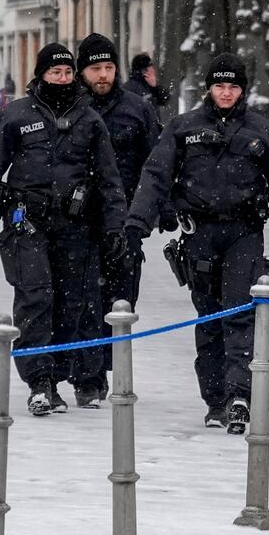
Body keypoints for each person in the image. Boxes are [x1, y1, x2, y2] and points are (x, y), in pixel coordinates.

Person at [126, 53, 269, 433]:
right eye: (220, 85)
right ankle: (215, 399)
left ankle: (238, 396)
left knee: (239, 313)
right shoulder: (184, 128)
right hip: (199, 235)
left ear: (242, 90)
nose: (226, 92)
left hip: (243, 234)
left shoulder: (261, 130)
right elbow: (154, 177)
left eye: (233, 86)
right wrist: (137, 224)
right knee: (209, 319)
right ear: (209, 89)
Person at [0, 43, 127, 415]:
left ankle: (71, 376)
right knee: (35, 299)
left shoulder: (89, 121)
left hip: (75, 226)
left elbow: (109, 180)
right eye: (55, 73)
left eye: (68, 73)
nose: (63, 79)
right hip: (27, 223)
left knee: (74, 302)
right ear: (41, 75)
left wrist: (115, 225)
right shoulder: (15, 116)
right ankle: (39, 381)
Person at [76, 34, 163, 383]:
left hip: (126, 220)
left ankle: (112, 365)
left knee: (121, 298)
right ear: (82, 71)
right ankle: (88, 375)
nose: (103, 75)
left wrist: (160, 209)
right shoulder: (72, 109)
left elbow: (155, 164)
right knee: (83, 299)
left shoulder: (138, 109)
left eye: (109, 67)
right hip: (78, 221)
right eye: (95, 68)